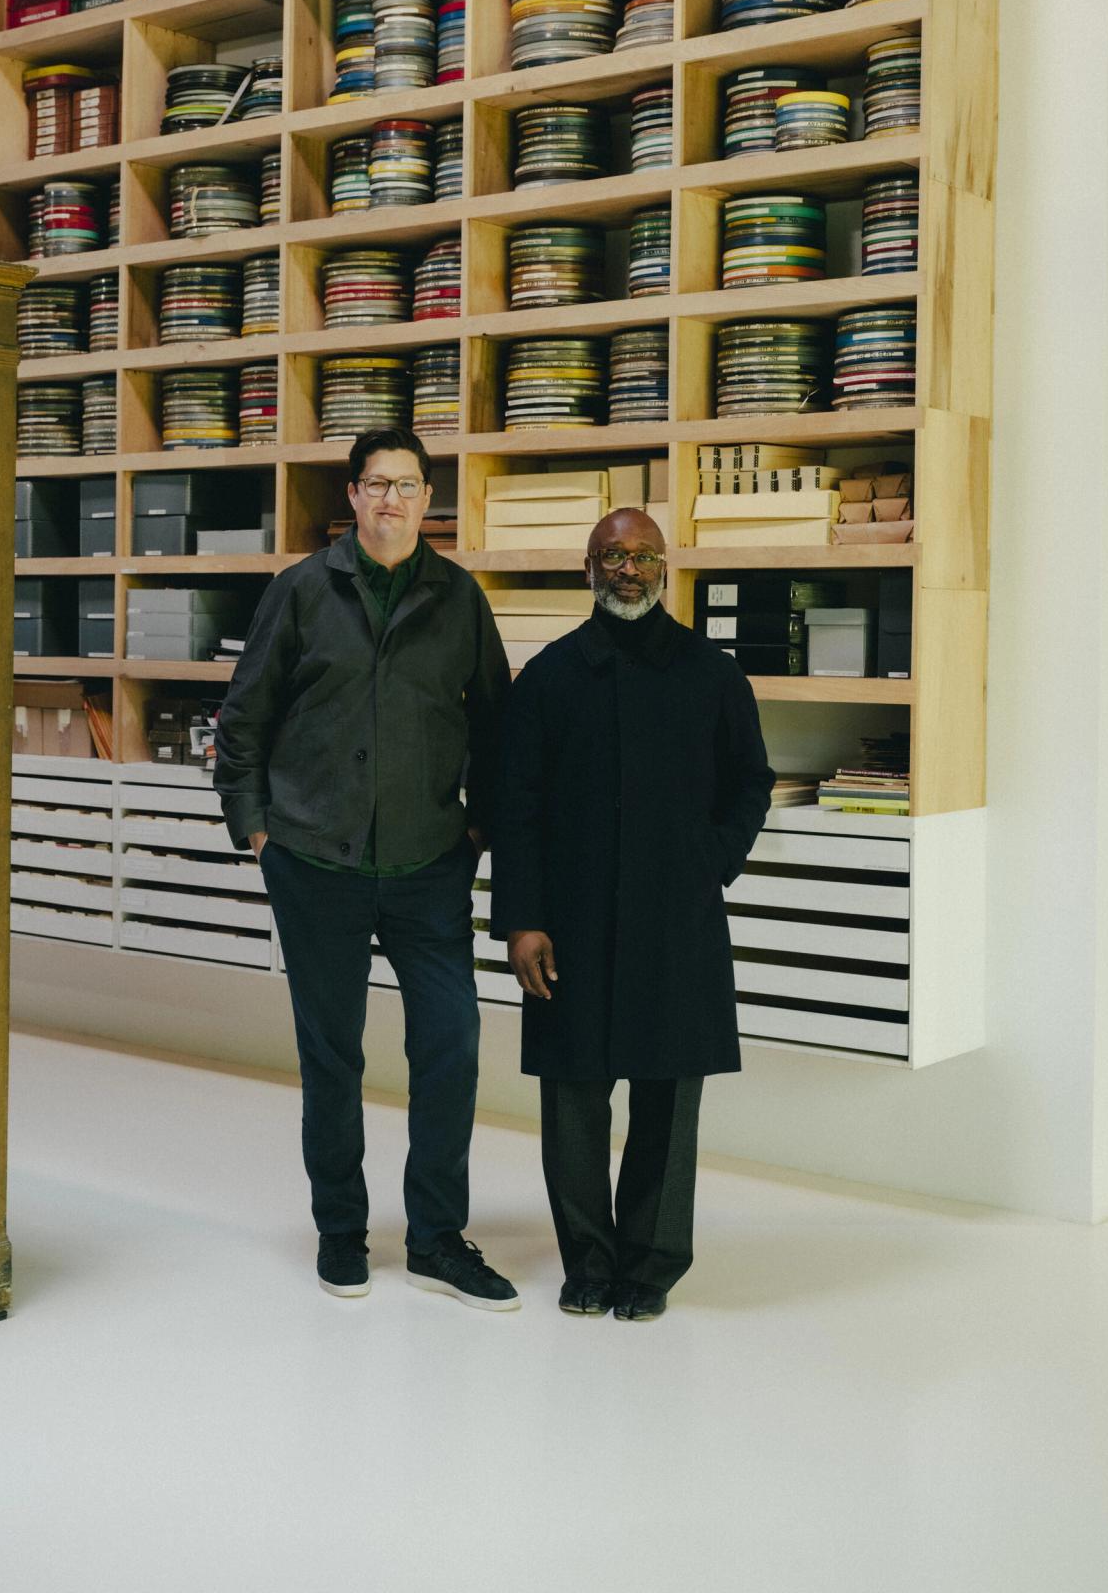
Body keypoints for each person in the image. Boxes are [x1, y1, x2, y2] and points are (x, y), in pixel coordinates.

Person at [213, 427, 519, 1311]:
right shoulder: (303, 593)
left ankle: (435, 1237)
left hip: (428, 864)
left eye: (409, 486)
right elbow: (243, 722)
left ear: (428, 500)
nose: (392, 500)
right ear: (351, 496)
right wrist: (258, 835)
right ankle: (341, 1230)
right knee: (332, 1055)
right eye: (376, 484)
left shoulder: (459, 599)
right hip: (315, 862)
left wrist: (478, 834)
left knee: (452, 1044)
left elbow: (496, 730)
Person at [492, 508, 775, 1321]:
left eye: (643, 556)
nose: (628, 569)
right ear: (588, 568)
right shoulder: (547, 677)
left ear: (665, 568)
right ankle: (588, 1263)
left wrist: (711, 860)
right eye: (612, 556)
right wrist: (521, 922)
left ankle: (648, 1268)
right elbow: (516, 807)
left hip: (675, 920)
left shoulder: (710, 673)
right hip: (567, 924)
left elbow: (750, 782)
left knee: (666, 1099)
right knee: (572, 1097)